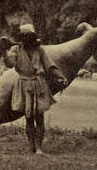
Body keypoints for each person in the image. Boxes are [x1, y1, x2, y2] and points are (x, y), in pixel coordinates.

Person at [6, 23, 58, 156]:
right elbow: (10, 64)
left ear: (33, 37)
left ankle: (39, 148)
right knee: (28, 117)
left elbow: (49, 65)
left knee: (40, 117)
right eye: (24, 36)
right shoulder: (16, 50)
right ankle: (31, 148)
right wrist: (5, 53)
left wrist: (61, 76)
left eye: (29, 36)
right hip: (23, 83)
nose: (27, 39)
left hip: (38, 83)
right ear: (22, 38)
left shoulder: (40, 50)